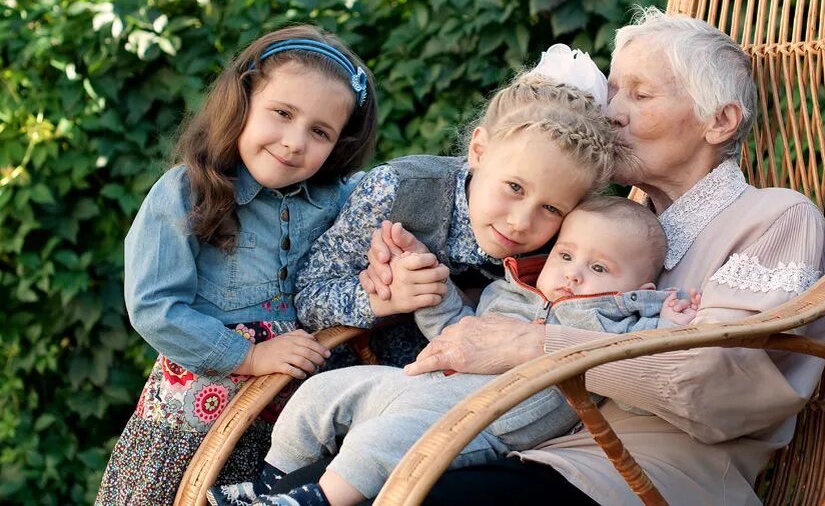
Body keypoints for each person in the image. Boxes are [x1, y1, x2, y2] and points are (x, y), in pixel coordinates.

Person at [272, 7, 825, 505]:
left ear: (720, 120)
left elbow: (721, 383)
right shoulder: (602, 221)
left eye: (640, 95)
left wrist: (533, 346)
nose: (612, 112)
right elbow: (506, 303)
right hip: (512, 439)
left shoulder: (776, 217)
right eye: (613, 92)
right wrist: (405, 284)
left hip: (635, 478)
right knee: (316, 478)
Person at [204, 43, 620, 506]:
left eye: (551, 207)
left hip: (470, 407)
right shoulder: (400, 192)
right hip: (366, 374)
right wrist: (384, 300)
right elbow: (309, 294)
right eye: (514, 188)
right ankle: (271, 488)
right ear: (479, 150)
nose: (522, 221)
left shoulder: (565, 244)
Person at [210, 197, 700, 505]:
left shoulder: (618, 324)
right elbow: (456, 331)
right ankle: (272, 483)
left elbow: (634, 393)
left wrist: (663, 324)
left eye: (600, 269)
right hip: (418, 381)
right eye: (567, 256)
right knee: (322, 391)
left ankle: (318, 500)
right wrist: (434, 286)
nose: (573, 274)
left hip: (480, 422)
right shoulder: (513, 292)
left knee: (385, 441)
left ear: (640, 287)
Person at [95, 25, 379, 505]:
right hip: (194, 424)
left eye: (320, 131)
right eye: (282, 114)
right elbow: (154, 307)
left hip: (291, 425)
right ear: (243, 101)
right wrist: (248, 357)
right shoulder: (187, 191)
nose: (294, 142)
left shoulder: (341, 203)